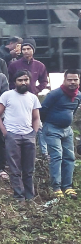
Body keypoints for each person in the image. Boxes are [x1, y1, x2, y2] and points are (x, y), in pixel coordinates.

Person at [0, 71, 41, 201]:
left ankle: (29, 197)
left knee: (29, 169)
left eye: (26, 80)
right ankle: (18, 197)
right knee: (15, 169)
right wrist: (5, 133)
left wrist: (34, 132)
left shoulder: (33, 97)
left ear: (30, 81)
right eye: (20, 80)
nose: (23, 82)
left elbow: (36, 117)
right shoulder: (7, 95)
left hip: (28, 136)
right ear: (14, 82)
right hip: (12, 136)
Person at [40, 68, 80, 198]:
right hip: (52, 128)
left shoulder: (78, 95)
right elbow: (43, 110)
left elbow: (72, 111)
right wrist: (47, 124)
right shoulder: (55, 94)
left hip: (67, 130)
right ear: (64, 80)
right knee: (57, 156)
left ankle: (67, 186)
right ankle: (56, 187)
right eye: (70, 79)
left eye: (75, 79)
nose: (72, 82)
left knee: (70, 157)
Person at [8, 40, 50, 157]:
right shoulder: (14, 65)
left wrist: (36, 90)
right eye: (24, 49)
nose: (26, 51)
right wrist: (15, 90)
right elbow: (10, 80)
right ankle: (18, 150)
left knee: (38, 124)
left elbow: (44, 81)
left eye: (28, 49)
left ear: (33, 50)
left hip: (32, 99)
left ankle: (43, 152)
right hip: (17, 99)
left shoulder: (39, 65)